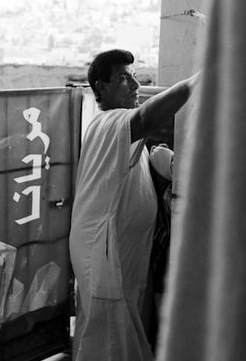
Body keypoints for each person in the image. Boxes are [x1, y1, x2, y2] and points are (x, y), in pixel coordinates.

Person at [69, 49, 197, 361]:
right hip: (104, 257)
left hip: (121, 258)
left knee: (115, 339)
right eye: (125, 79)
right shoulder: (110, 123)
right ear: (101, 88)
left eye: (134, 76)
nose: (136, 85)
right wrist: (198, 80)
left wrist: (163, 160)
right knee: (108, 343)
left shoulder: (126, 139)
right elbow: (147, 117)